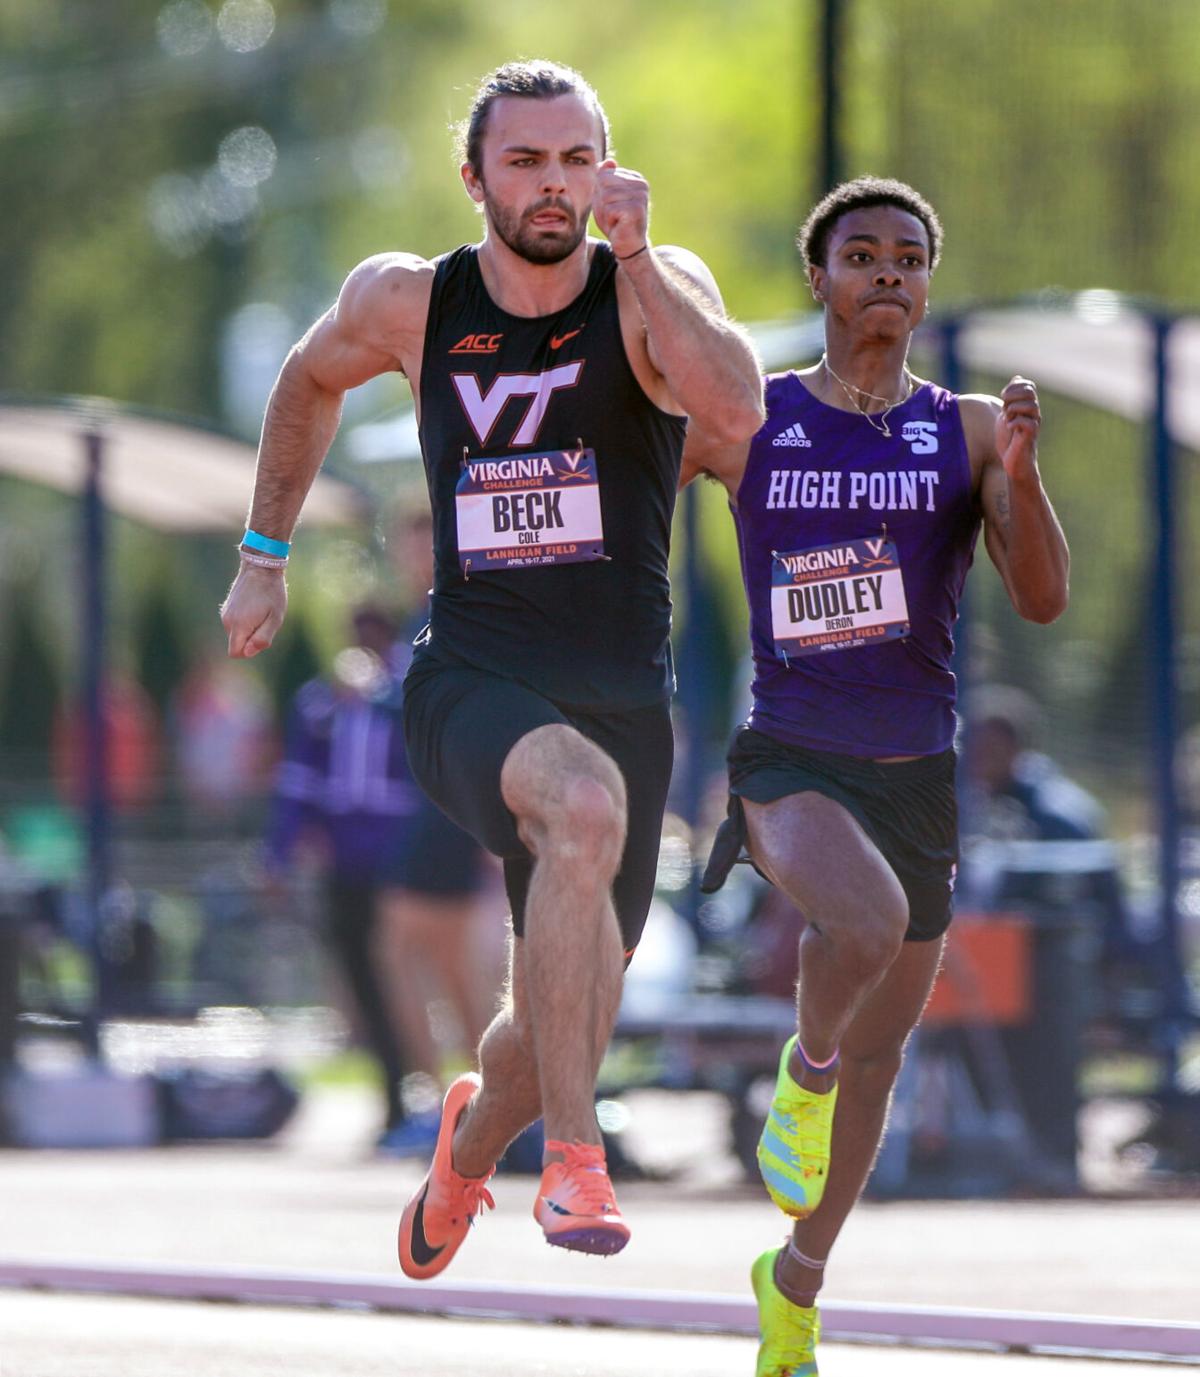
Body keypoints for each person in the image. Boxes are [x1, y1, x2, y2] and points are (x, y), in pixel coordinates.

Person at [221, 58, 763, 1273]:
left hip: (624, 690)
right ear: (474, 179)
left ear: (606, 171)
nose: (553, 185)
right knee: (580, 807)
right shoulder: (411, 301)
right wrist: (265, 553)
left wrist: (642, 256)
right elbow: (307, 378)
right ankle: (574, 1167)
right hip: (468, 677)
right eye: (524, 161)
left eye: (577, 159)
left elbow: (736, 417)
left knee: (553, 1018)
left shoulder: (651, 289)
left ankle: (468, 1149)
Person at [686, 176, 1069, 1375]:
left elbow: (1045, 597)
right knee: (862, 925)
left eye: (909, 256)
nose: (888, 273)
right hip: (792, 756)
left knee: (885, 1054)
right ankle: (796, 1079)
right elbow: (636, 449)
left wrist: (1022, 470)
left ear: (926, 284)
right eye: (863, 254)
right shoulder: (757, 418)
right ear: (822, 280)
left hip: (917, 772)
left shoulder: (959, 431)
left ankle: (796, 1284)